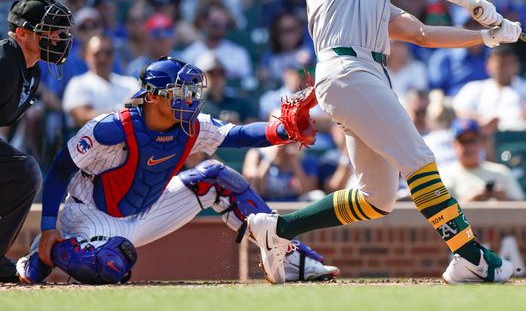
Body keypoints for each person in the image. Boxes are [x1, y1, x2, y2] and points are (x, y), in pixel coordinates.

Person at [248, 0, 522, 285]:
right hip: (349, 68)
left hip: (364, 76)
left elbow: (422, 33)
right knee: (420, 161)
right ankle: (470, 257)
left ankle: (278, 228)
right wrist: (469, 0)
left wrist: (486, 37)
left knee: (377, 197)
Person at [15, 57, 338, 284]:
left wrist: (282, 131)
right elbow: (60, 168)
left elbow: (236, 135)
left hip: (147, 210)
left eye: (192, 91)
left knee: (217, 177)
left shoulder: (191, 126)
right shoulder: (111, 129)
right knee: (111, 264)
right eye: (180, 92)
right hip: (92, 215)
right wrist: (47, 228)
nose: (191, 98)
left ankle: (292, 261)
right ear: (153, 97)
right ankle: (48, 253)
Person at [0, 0, 72, 282]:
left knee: (25, 172)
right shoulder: (4, 61)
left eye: (59, 31)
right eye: (50, 30)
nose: (58, 37)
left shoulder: (32, 70)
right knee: (24, 170)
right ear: (22, 33)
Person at [453, 45, 526, 132]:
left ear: (517, 65)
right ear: (489, 65)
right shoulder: (475, 88)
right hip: (491, 141)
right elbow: (457, 111)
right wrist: (480, 120)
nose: (505, 69)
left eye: (509, 64)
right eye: (501, 64)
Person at [61, 35, 140, 129]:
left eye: (108, 53)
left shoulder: (130, 83)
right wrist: (124, 109)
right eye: (97, 53)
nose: (103, 58)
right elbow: (82, 118)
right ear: (86, 56)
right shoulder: (77, 83)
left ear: (114, 55)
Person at [440, 119, 525, 203]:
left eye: (472, 140)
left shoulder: (501, 172)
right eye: (463, 141)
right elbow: (439, 213)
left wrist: (505, 199)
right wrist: (468, 203)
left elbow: (524, 210)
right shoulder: (444, 176)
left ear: (480, 142)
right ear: (454, 144)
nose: (468, 147)